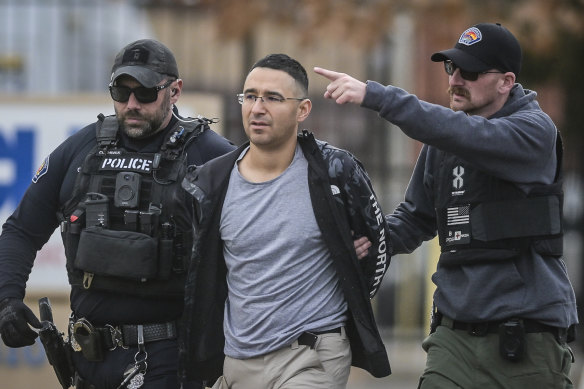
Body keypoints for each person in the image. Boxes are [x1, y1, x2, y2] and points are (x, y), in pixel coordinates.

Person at [315, 22, 578, 388]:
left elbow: (471, 136)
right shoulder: (443, 141)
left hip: (527, 337)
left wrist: (377, 96)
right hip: (453, 337)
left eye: (469, 72)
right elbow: (415, 218)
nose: (455, 80)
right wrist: (375, 239)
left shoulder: (534, 131)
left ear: (506, 81)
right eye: (450, 68)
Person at [0, 39, 235, 388]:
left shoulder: (212, 156)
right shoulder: (81, 149)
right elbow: (21, 231)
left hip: (168, 359)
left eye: (144, 93)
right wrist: (8, 299)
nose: (131, 104)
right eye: (120, 92)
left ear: (175, 91)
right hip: (87, 358)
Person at [178, 53, 391, 389]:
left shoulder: (336, 172)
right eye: (250, 96)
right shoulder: (211, 181)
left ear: (302, 110)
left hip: (311, 358)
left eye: (273, 98)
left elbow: (377, 247)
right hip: (236, 362)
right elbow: (205, 273)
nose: (257, 108)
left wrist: (348, 283)